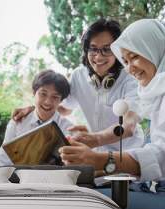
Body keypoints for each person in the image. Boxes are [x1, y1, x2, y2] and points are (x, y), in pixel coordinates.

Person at [59, 19, 165, 209]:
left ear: (155, 48)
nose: (130, 68)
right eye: (125, 60)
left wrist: (97, 158)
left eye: (134, 57)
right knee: (81, 196)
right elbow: (62, 106)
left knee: (83, 203)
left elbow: (162, 154)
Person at [13, 19, 144, 153]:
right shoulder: (78, 75)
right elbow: (63, 108)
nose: (98, 57)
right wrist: (34, 108)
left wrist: (96, 139)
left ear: (117, 51)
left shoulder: (130, 77)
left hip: (129, 153)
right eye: (93, 49)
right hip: (96, 153)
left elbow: (129, 125)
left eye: (107, 49)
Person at [0, 69, 73, 166]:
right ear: (34, 93)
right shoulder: (18, 122)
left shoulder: (68, 128)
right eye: (43, 94)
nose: (47, 102)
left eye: (55, 97)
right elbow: (2, 161)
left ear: (61, 100)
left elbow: (71, 165)